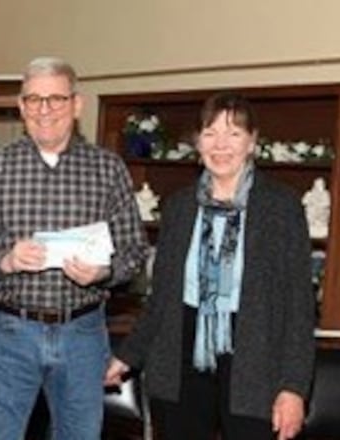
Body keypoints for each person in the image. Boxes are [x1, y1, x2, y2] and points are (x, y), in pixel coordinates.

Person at [0, 56, 148, 440]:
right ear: (21, 106)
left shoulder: (108, 169)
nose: (45, 110)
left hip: (83, 333)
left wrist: (104, 271)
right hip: (9, 332)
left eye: (56, 99)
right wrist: (4, 260)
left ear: (76, 104)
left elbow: (135, 252)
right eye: (34, 99)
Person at [105, 92, 316, 440]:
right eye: (210, 133)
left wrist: (293, 388)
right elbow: (161, 300)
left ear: (252, 143)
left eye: (234, 133)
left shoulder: (281, 207)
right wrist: (127, 356)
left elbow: (299, 308)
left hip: (255, 360)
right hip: (179, 358)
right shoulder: (179, 207)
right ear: (198, 142)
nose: (221, 145)